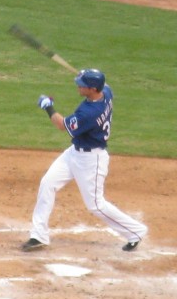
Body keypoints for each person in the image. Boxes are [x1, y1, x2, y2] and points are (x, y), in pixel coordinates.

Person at [23, 68, 149, 253]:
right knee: (48, 183)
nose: (78, 86)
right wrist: (87, 74)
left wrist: (47, 105)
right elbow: (105, 84)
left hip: (91, 160)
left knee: (96, 205)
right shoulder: (105, 92)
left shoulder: (90, 113)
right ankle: (39, 235)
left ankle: (136, 231)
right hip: (73, 153)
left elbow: (61, 124)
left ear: (92, 89)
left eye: (82, 84)